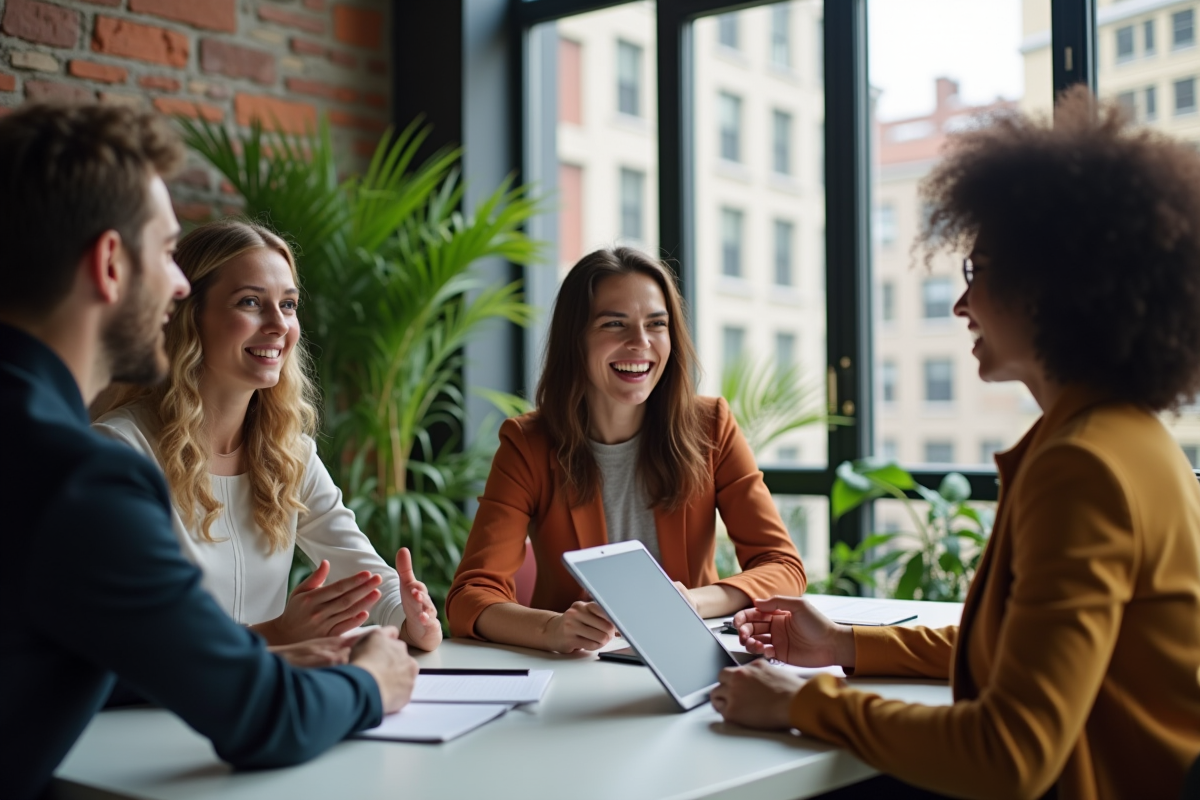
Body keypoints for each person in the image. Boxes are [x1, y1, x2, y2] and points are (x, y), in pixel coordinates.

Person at [710, 87, 1200, 800]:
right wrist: (844, 646)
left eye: (978, 270)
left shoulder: (1083, 467)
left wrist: (801, 704)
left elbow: (1012, 753)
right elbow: (1023, 655)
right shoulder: (1132, 440)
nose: (960, 303)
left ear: (1051, 286)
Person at [0, 103, 418, 800]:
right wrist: (370, 682)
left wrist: (266, 650)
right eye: (167, 252)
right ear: (109, 263)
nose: (181, 284)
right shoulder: (82, 476)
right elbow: (263, 720)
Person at [92, 219, 441, 652]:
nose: (279, 324)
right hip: (149, 715)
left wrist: (409, 617)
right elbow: (129, 642)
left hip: (258, 707)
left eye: (289, 305)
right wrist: (275, 636)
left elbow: (366, 577)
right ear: (190, 317)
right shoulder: (119, 451)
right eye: (251, 302)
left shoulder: (289, 453)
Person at [446, 247, 806, 653]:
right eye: (614, 324)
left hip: (690, 657)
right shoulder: (527, 444)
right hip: (578, 672)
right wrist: (553, 629)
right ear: (575, 340)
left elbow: (784, 567)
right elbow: (470, 597)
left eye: (656, 324)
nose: (640, 343)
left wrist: (691, 602)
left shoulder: (712, 426)